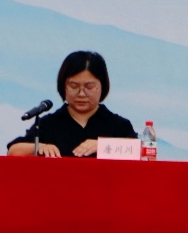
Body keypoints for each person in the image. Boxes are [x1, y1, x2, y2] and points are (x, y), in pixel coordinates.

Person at [8, 51, 136, 157]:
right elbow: (13, 152)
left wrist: (103, 146)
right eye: (74, 86)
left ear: (102, 86)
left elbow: (138, 151)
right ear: (63, 86)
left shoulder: (118, 125)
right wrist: (40, 146)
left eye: (89, 87)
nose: (81, 94)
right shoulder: (49, 124)